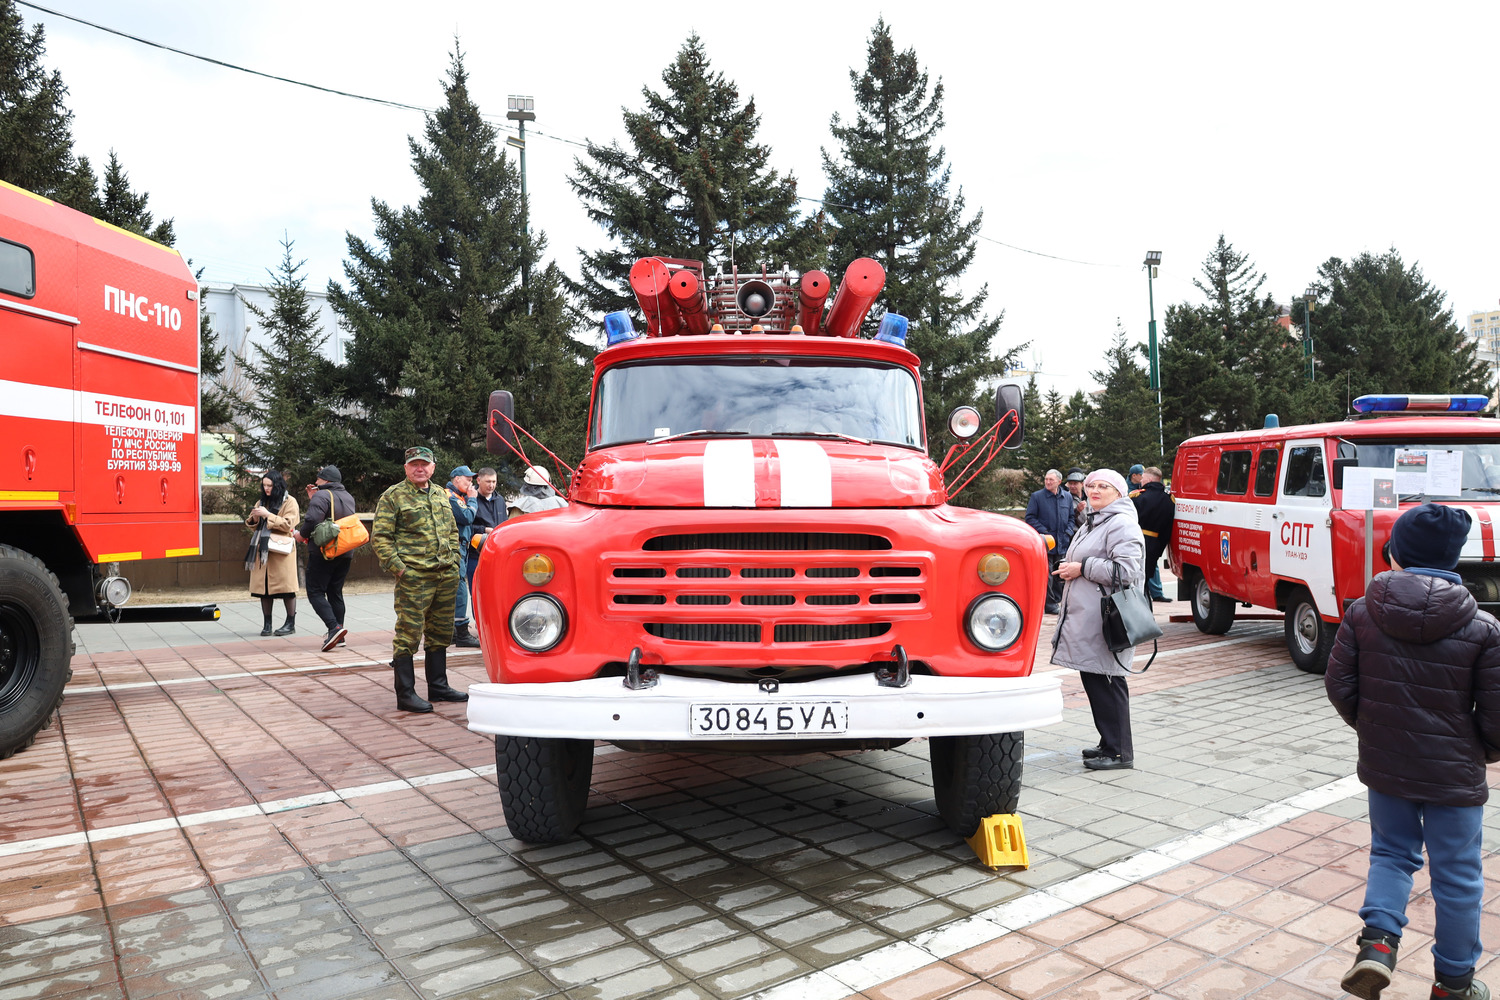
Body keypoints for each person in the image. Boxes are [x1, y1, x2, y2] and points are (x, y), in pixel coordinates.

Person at [1327, 503, 1500, 1000]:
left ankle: (1377, 948)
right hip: (1454, 776)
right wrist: (1477, 750)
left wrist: (1374, 727)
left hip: (1386, 765)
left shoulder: (1363, 611)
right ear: (1453, 558)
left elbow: (1340, 685)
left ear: (1396, 552)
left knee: (1390, 855)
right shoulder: (1483, 626)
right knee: (1459, 876)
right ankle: (1453, 983)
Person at [1049, 468, 1145, 771]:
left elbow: (1126, 572)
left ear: (1118, 493)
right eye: (1092, 485)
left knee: (1108, 681)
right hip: (1090, 618)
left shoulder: (1121, 525)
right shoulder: (1093, 521)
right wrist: (1071, 567)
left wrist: (1082, 567)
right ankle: (1109, 741)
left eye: (1104, 486)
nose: (1095, 490)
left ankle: (1119, 752)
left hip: (1107, 620)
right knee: (1096, 679)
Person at [371, 447, 468, 713]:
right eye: (414, 464)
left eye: (424, 464)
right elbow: (380, 538)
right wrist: (401, 569)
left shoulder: (439, 493)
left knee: (440, 633)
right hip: (414, 577)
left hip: (444, 575)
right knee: (408, 634)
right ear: (406, 468)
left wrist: (454, 561)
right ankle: (405, 694)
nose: (419, 468)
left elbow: (450, 529)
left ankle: (438, 686)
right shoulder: (393, 496)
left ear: (433, 467)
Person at [295, 465, 356, 652]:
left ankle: (334, 627)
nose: (316, 482)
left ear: (326, 480)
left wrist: (300, 534)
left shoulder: (322, 495)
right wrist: (314, 498)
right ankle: (339, 635)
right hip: (345, 551)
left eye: (319, 479)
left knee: (315, 591)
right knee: (335, 591)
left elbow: (313, 520)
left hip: (324, 551)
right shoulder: (348, 496)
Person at [246, 470, 300, 637]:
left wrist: (268, 515)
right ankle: (267, 623)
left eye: (270, 485)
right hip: (263, 551)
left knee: (286, 589)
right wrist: (255, 518)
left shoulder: (290, 502)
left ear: (278, 485)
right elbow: (253, 524)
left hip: (281, 550)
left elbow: (288, 524)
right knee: (265, 588)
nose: (267, 489)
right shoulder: (262, 501)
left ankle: (290, 623)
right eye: (264, 485)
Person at [1024, 469, 1075, 614]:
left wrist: (1068, 531)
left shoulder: (1067, 497)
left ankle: (1058, 601)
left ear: (1059, 482)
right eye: (1046, 479)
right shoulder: (1037, 497)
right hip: (1045, 542)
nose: (1048, 482)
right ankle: (1049, 604)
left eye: (1051, 480)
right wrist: (1045, 532)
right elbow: (1030, 518)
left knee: (1059, 573)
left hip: (1062, 542)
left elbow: (1071, 517)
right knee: (1046, 575)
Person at [446, 465, 480, 649]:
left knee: (456, 588)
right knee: (459, 589)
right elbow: (467, 517)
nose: (470, 482)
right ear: (456, 479)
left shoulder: (458, 497)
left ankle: (451, 631)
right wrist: (473, 500)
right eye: (467, 479)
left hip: (462, 547)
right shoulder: (451, 496)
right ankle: (461, 633)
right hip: (455, 548)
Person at [1130, 466, 1173, 603]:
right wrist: (1159, 549)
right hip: (1155, 543)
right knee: (1147, 576)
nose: (1141, 481)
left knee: (1134, 580)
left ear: (1148, 479)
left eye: (1142, 478)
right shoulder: (1169, 500)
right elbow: (1167, 529)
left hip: (1135, 541)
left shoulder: (1136, 496)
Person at [468, 466, 506, 598]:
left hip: (497, 554)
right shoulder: (470, 499)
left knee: (497, 593)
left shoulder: (500, 500)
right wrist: (483, 530)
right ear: (478, 480)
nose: (491, 485)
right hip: (475, 555)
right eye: (488, 482)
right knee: (477, 594)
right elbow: (465, 527)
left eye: (494, 482)